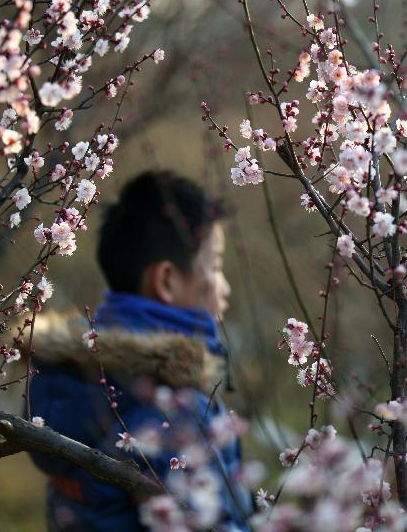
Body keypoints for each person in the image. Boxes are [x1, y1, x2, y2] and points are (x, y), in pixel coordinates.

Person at [27, 171, 250, 531]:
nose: (223, 288)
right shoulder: (172, 408)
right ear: (166, 280)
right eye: (217, 266)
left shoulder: (65, 377)